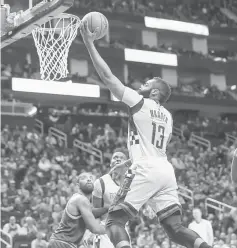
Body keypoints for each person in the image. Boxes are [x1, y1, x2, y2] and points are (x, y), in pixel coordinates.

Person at [80, 21, 213, 248]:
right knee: (175, 228)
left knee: (114, 220)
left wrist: (89, 43)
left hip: (145, 168)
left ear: (154, 92)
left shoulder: (141, 102)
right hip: (165, 171)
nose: (141, 84)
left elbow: (108, 77)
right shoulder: (168, 117)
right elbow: (153, 143)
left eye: (146, 83)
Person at [48, 172, 109, 248]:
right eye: (84, 178)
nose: (88, 179)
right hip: (62, 243)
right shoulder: (81, 199)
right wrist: (115, 228)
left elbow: (90, 213)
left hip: (62, 243)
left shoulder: (79, 199)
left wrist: (107, 209)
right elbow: (95, 229)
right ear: (78, 185)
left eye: (91, 178)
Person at [92, 149, 129, 248]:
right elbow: (94, 211)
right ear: (110, 164)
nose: (118, 159)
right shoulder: (101, 182)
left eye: (122, 158)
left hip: (123, 229)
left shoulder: (130, 184)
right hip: (105, 230)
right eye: (115, 157)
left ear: (127, 165)